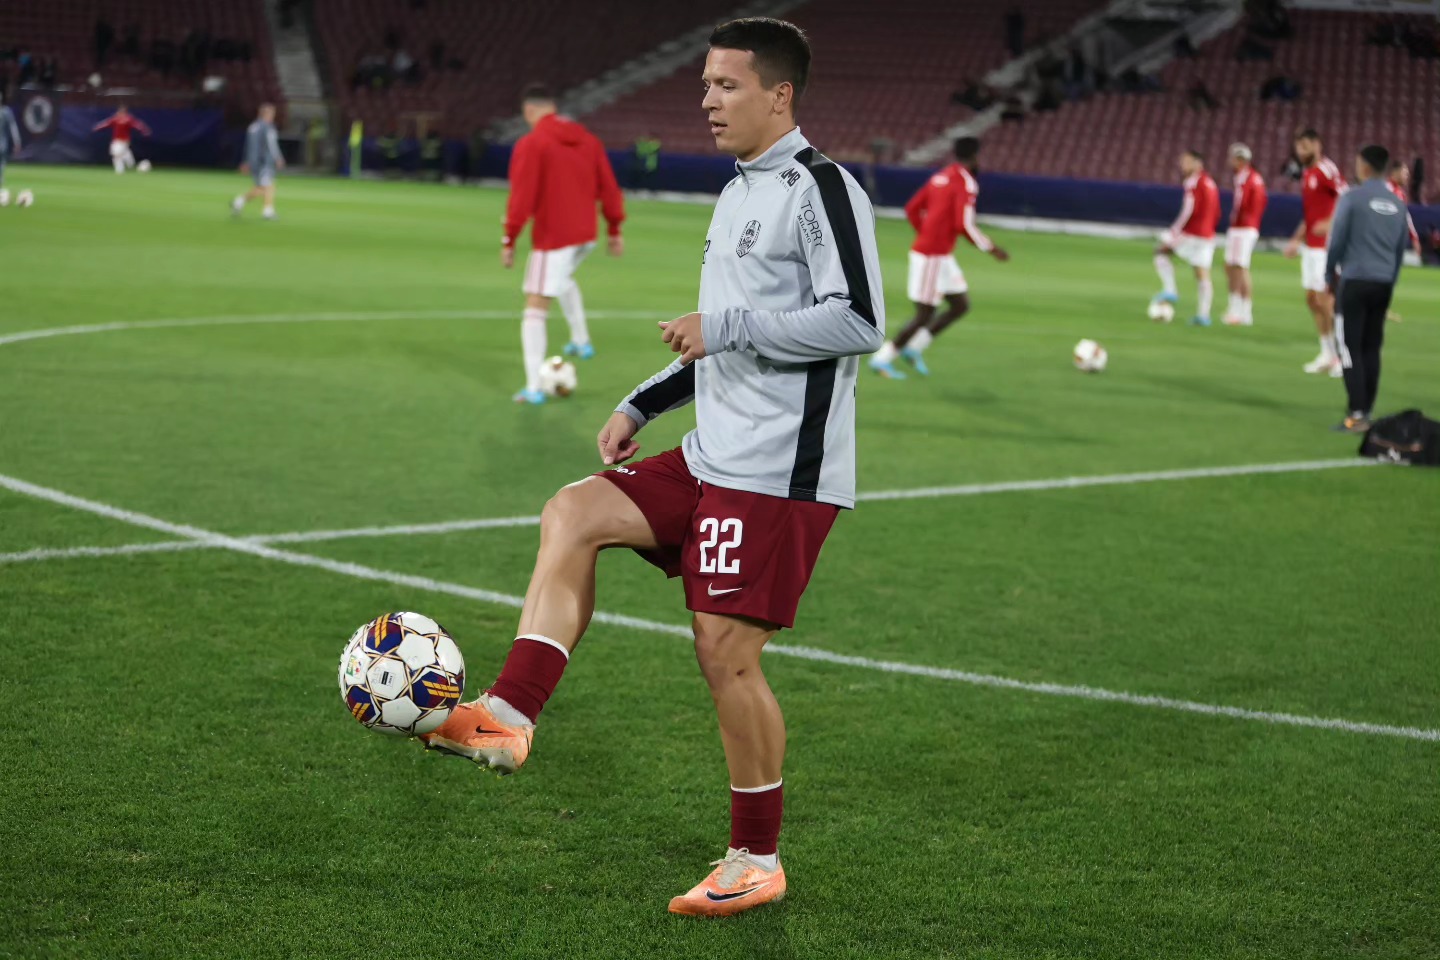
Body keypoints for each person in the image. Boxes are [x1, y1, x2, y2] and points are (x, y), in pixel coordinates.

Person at [419, 17, 884, 916]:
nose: (707, 100)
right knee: (574, 510)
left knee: (725, 653)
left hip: (778, 470)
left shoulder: (821, 189)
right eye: (705, 84)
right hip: (713, 452)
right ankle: (509, 717)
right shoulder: (737, 191)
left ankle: (756, 859)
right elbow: (721, 337)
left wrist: (727, 328)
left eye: (726, 85)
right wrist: (641, 402)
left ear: (779, 94)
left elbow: (858, 319)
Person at [502, 84, 625, 404]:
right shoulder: (589, 141)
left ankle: (533, 387)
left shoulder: (533, 143)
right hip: (585, 234)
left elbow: (522, 197)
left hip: (554, 237)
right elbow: (609, 187)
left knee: (535, 306)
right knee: (563, 279)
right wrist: (614, 228)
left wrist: (510, 238)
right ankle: (581, 341)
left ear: (529, 110)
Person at [870, 136, 1008, 378]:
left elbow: (912, 209)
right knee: (925, 313)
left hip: (941, 255)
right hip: (932, 256)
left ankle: (914, 348)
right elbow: (964, 224)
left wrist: (925, 232)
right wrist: (991, 248)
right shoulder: (965, 182)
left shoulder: (940, 176)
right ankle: (882, 359)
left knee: (960, 305)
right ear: (976, 156)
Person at [1325, 144, 1410, 433]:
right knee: (1371, 347)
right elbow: (1399, 250)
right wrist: (1390, 280)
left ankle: (1357, 414)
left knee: (1349, 348)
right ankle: (1367, 410)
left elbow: (1337, 239)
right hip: (1383, 283)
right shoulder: (1398, 203)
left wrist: (1328, 273)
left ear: (1364, 166)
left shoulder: (1352, 198)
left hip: (1355, 280)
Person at [1283, 129, 1346, 376]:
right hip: (1311, 245)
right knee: (1312, 299)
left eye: (1306, 145)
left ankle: (1342, 357)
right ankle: (1327, 353)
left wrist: (1331, 222)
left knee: (1325, 300)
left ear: (1317, 145)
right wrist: (1296, 239)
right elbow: (1311, 215)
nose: (1301, 151)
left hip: (1326, 246)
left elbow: (1346, 196)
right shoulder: (1307, 174)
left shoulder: (1325, 169)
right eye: (1298, 146)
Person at [1151, 149, 1220, 326]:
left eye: (1187, 161)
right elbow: (1217, 211)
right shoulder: (1210, 182)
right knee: (1202, 273)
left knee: (1160, 252)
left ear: (1198, 163)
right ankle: (1203, 316)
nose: (1183, 165)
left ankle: (1170, 290)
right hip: (1207, 235)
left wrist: (1174, 231)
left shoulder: (1193, 182)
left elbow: (1189, 210)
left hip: (1192, 232)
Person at [1223, 142, 1267, 326]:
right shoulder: (1254, 177)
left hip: (1243, 227)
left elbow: (1241, 203)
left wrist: (1238, 218)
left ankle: (1242, 311)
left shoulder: (1245, 178)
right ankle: (1237, 308)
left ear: (1240, 160)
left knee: (1239, 267)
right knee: (1232, 266)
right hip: (1246, 226)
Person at [231, 103, 285, 220]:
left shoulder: (253, 127)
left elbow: (248, 145)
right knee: (269, 186)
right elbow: (271, 145)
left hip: (255, 161)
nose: (273, 116)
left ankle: (238, 202)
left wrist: (246, 161)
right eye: (272, 114)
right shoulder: (267, 127)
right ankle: (267, 211)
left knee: (261, 187)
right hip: (265, 161)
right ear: (266, 114)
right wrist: (278, 158)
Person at [93, 105, 151, 174]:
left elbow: (137, 125)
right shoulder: (115, 119)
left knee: (117, 154)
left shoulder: (128, 119)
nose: (119, 113)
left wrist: (144, 130)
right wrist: (98, 127)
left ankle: (121, 169)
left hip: (124, 140)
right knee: (119, 154)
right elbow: (106, 124)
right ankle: (128, 164)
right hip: (116, 140)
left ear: (125, 112)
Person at [0, 93, 19, 189]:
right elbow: (13, 128)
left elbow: (12, 127)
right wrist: (17, 141)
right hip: (2, 144)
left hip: (2, 143)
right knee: (2, 162)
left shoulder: (6, 112)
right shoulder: (6, 112)